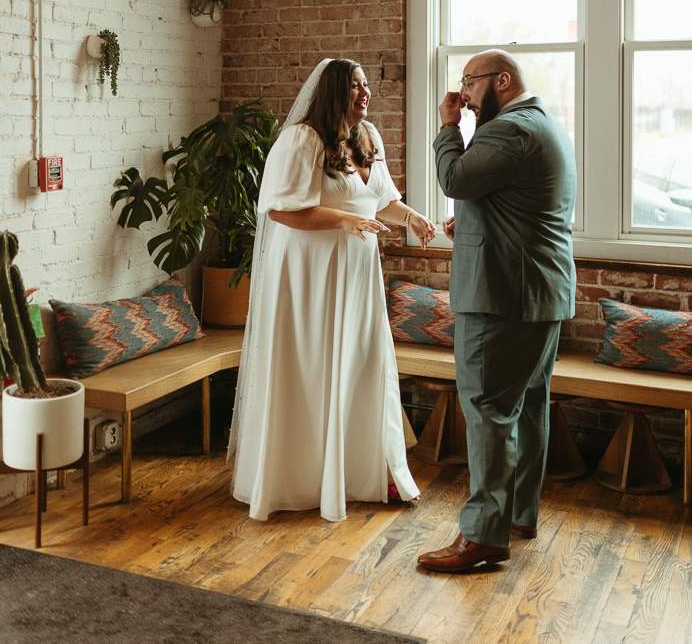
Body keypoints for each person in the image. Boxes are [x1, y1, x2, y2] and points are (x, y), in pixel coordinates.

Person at [227, 58, 436, 522]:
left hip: (358, 273)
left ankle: (363, 471)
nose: (366, 94)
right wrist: (344, 220)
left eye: (367, 86)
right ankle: (301, 478)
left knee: (363, 363)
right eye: (356, 87)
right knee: (312, 367)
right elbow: (279, 209)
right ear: (335, 92)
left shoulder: (369, 138)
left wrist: (412, 217)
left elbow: (382, 201)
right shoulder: (302, 138)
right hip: (309, 273)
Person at [417, 49, 576, 573]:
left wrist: (447, 128)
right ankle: (518, 516)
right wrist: (477, 221)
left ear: (501, 80)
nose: (462, 94)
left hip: (502, 297)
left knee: (487, 411)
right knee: (527, 407)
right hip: (537, 293)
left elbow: (456, 180)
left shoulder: (508, 130)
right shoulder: (541, 123)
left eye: (469, 82)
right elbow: (519, 204)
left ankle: (483, 536)